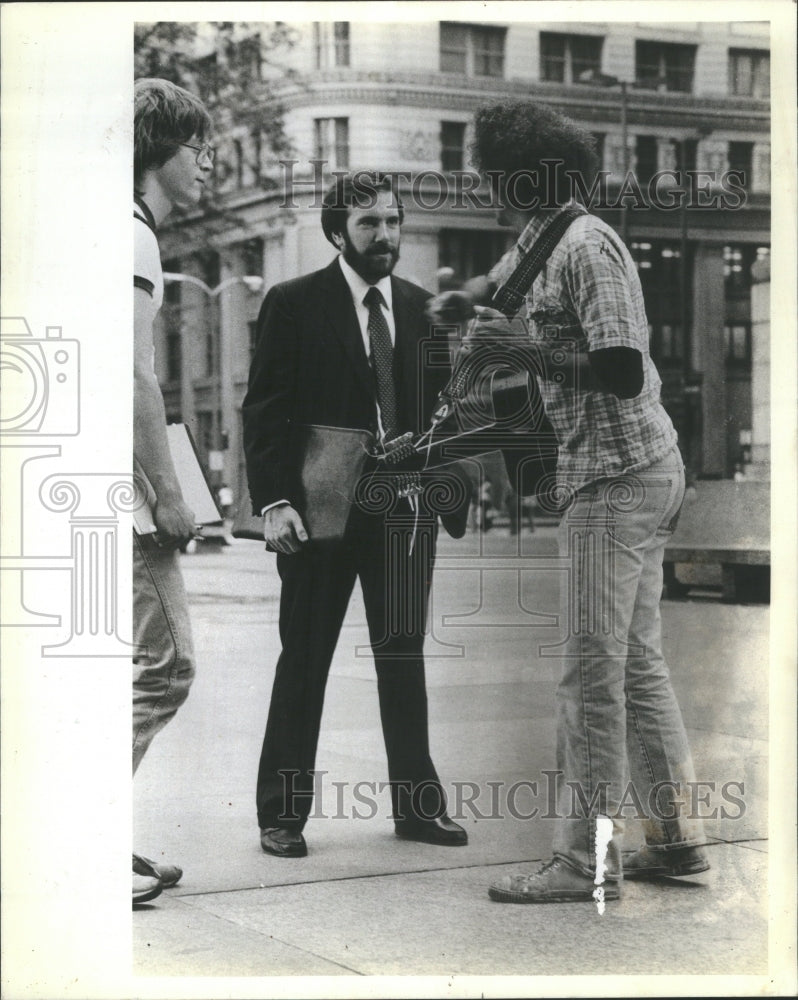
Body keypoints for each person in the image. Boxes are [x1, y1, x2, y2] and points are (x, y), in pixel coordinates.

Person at [428, 101, 708, 903]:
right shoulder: (544, 234)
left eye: (488, 170)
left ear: (520, 173)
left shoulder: (587, 245)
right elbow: (505, 282)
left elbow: (620, 368)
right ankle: (677, 839)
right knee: (637, 663)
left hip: (615, 478)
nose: (481, 182)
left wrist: (520, 349)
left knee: (589, 673)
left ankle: (585, 861)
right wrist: (463, 306)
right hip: (635, 470)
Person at [242, 171, 470, 858]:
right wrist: (275, 503)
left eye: (395, 222)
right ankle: (282, 815)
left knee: (403, 658)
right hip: (320, 513)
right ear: (339, 231)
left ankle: (416, 808)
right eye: (371, 225)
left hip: (402, 513)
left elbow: (445, 414)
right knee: (305, 659)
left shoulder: (425, 308)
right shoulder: (293, 303)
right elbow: (264, 411)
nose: (387, 236)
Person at [132, 78, 214, 905]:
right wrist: (168, 492)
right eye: (198, 147)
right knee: (165, 669)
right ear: (160, 148)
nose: (207, 163)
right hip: (122, 489)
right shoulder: (133, 237)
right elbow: (134, 377)